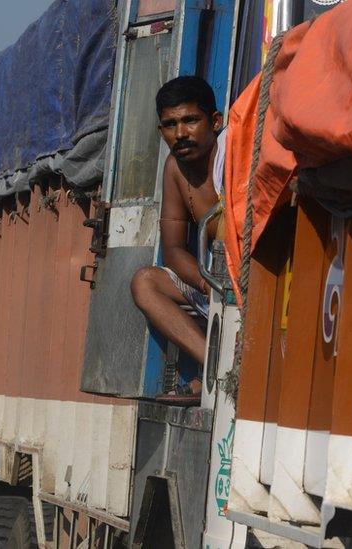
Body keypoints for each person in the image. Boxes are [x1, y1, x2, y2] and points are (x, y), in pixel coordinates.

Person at [130, 75, 226, 405]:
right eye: (170, 124)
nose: (180, 133)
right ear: (161, 131)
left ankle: (213, 377)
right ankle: (216, 370)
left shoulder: (231, 154)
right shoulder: (174, 167)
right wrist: (204, 281)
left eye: (190, 120)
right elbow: (172, 250)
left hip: (248, 280)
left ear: (215, 121)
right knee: (145, 282)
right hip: (213, 281)